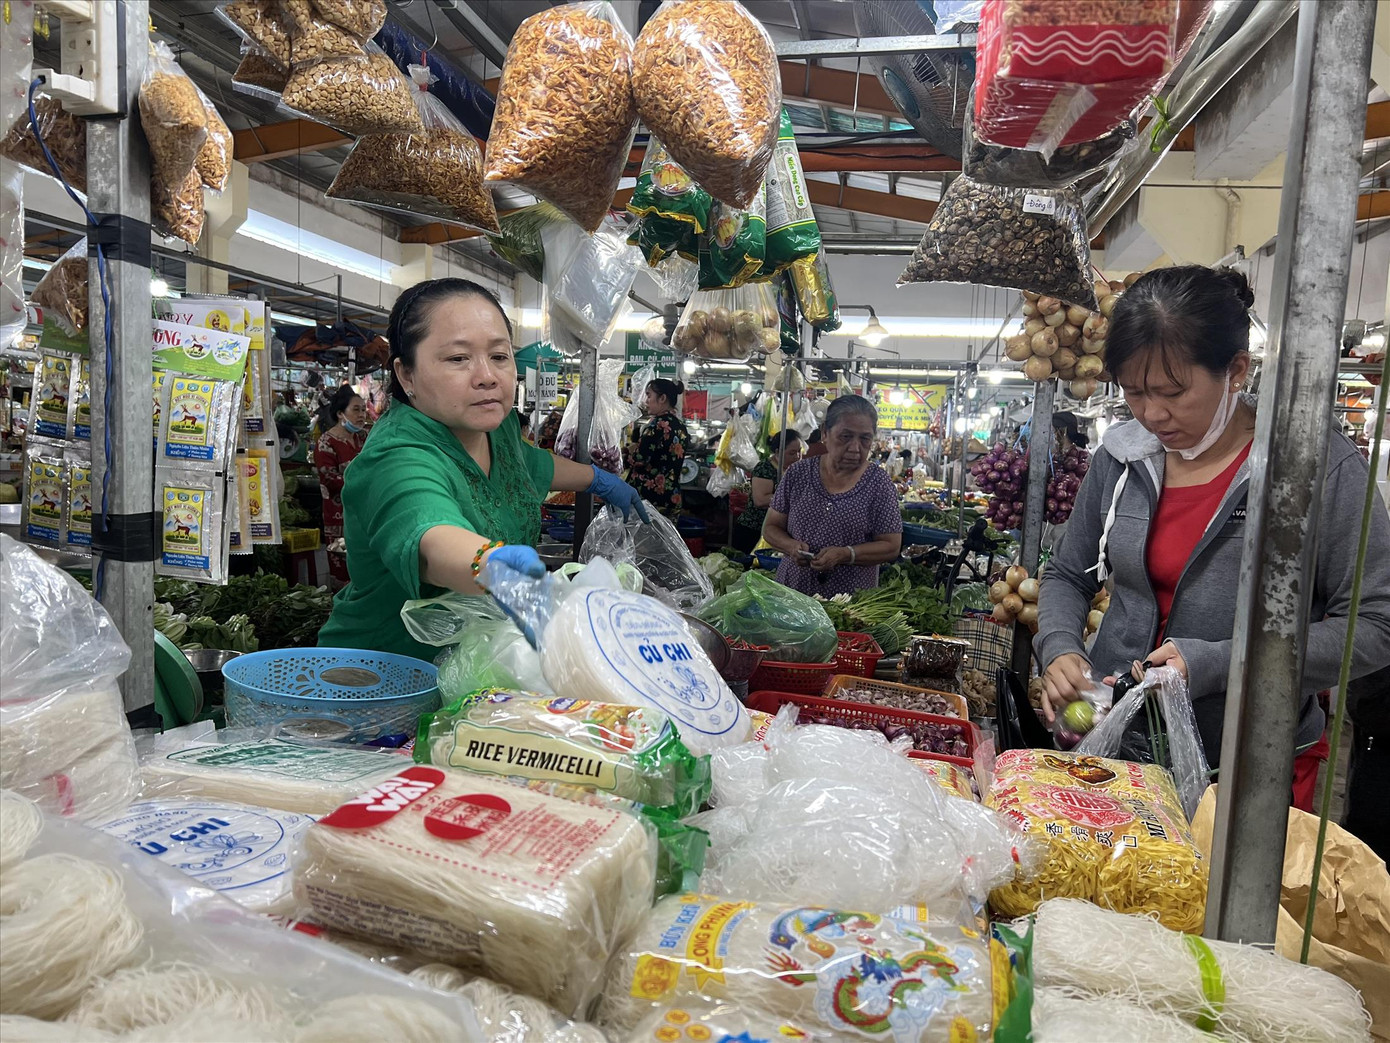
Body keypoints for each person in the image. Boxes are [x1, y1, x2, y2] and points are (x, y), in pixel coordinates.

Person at [1036, 265, 1390, 780]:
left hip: (1246, 764)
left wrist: (1221, 662)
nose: (1151, 413)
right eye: (1134, 392)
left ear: (1236, 370)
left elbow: (1376, 625)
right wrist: (1060, 648)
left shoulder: (1311, 468)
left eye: (1173, 391)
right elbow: (1069, 575)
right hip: (1107, 736)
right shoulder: (1123, 456)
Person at [318, 278, 650, 662]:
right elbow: (426, 532)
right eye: (458, 359)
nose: (487, 376)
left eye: (499, 356)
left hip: (476, 667)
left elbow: (529, 465)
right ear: (406, 374)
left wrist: (600, 481)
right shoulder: (397, 454)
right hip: (386, 677)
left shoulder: (498, 428)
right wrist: (490, 566)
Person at [761, 395, 904, 595]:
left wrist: (847, 554)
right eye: (845, 437)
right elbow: (770, 527)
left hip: (850, 605)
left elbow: (891, 546)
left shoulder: (878, 483)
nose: (855, 448)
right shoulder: (798, 473)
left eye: (865, 439)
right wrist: (791, 546)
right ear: (825, 433)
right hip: (793, 595)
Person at [314, 385, 368, 586]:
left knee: (365, 566)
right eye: (356, 410)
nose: (362, 415)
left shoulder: (364, 438)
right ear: (340, 414)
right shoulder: (326, 443)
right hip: (339, 516)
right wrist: (365, 484)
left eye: (363, 409)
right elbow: (330, 479)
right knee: (343, 567)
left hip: (366, 513)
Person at [625, 377, 688, 520]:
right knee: (664, 541)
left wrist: (624, 454)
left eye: (649, 395)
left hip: (649, 499)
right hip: (672, 497)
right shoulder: (681, 427)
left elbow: (639, 460)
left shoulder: (657, 425)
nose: (646, 401)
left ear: (662, 398)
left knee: (642, 541)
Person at [731, 429, 802, 553]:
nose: (797, 457)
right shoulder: (764, 468)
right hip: (753, 531)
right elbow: (760, 500)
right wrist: (791, 498)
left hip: (778, 533)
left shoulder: (794, 471)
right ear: (777, 452)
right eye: (792, 453)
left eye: (799, 452)